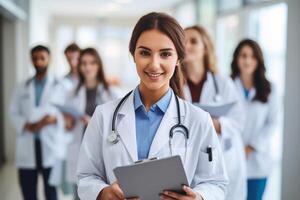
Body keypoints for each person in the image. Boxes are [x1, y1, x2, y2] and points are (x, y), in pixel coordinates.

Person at [77, 12, 228, 200]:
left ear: (179, 59)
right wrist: (101, 192)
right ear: (133, 55)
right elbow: (86, 176)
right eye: (145, 53)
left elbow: (216, 183)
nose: (154, 64)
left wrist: (199, 197)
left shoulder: (198, 120)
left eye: (165, 54)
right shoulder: (104, 115)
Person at [183, 25, 247, 200]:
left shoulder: (223, 83)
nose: (187, 45)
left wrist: (213, 124)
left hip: (222, 157)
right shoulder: (175, 84)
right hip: (188, 160)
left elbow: (239, 120)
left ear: (205, 47)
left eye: (194, 41)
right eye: (184, 41)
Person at [64, 47, 119, 199]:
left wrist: (93, 122)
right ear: (79, 66)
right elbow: (68, 127)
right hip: (81, 148)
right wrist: (68, 121)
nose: (88, 67)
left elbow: (119, 126)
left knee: (102, 193)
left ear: (99, 65)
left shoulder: (111, 93)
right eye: (84, 63)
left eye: (92, 63)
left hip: (103, 151)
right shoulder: (72, 92)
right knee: (80, 193)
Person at [10, 45, 63, 200]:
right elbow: (12, 111)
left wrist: (52, 119)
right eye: (35, 58)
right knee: (28, 192)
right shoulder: (22, 86)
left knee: (51, 193)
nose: (38, 62)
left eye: (42, 58)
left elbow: (66, 114)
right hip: (28, 142)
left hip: (50, 145)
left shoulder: (59, 85)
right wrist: (26, 125)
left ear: (49, 59)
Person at [230, 39, 280, 200]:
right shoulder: (226, 85)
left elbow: (272, 123)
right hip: (231, 159)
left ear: (258, 61)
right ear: (236, 59)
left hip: (258, 162)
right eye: (243, 56)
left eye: (252, 56)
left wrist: (251, 147)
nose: (247, 61)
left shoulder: (270, 89)